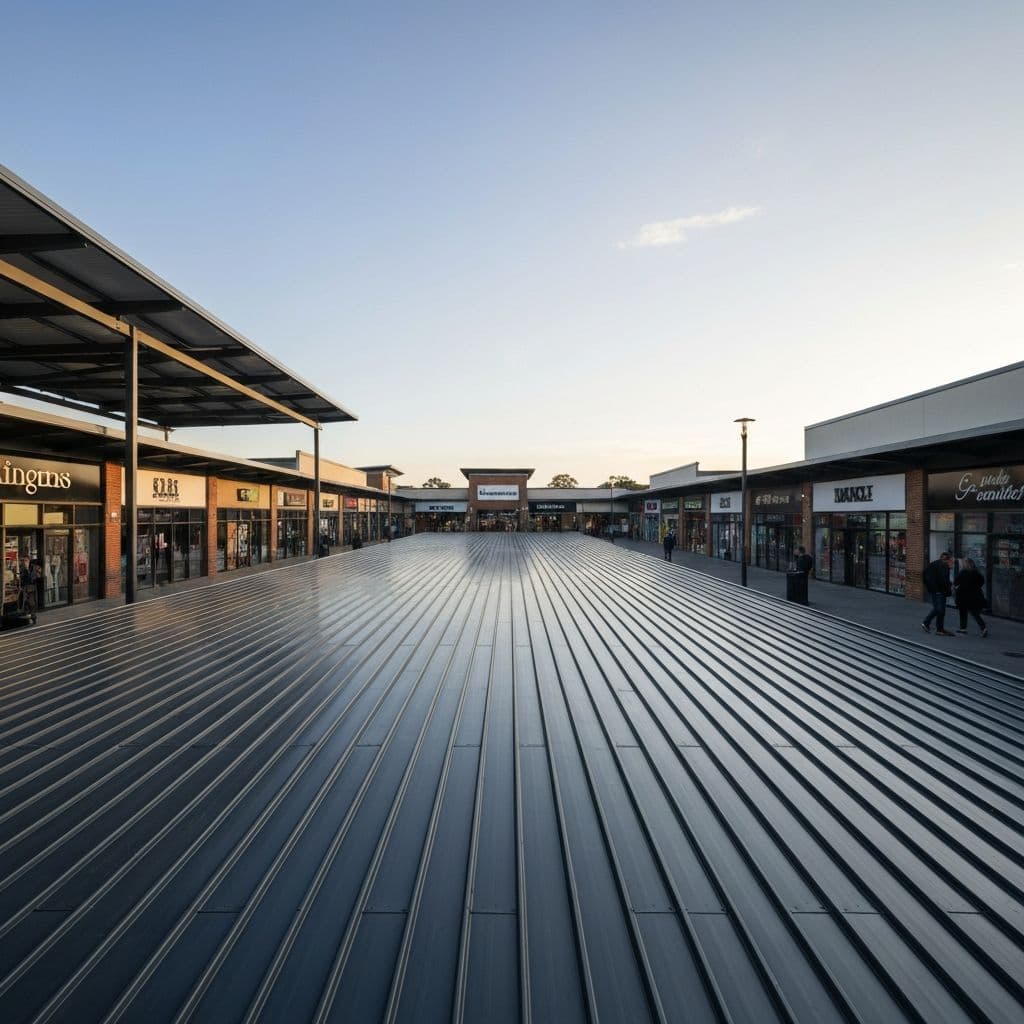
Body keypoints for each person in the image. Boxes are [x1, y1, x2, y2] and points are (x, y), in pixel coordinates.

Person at [953, 557, 989, 637]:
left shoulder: (963, 572)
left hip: (963, 595)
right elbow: (981, 582)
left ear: (966, 564)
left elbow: (956, 582)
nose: (963, 564)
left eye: (964, 563)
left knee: (963, 612)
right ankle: (983, 628)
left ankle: (963, 628)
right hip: (974, 596)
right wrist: (975, 588)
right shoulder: (976, 573)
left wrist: (956, 588)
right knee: (975, 613)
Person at [921, 551, 954, 636]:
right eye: (951, 560)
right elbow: (944, 580)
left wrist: (930, 587)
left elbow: (924, 574)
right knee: (939, 609)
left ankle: (939, 629)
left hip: (934, 590)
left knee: (940, 609)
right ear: (948, 560)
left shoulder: (934, 564)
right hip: (939, 591)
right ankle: (927, 622)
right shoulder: (944, 566)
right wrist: (949, 589)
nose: (952, 563)